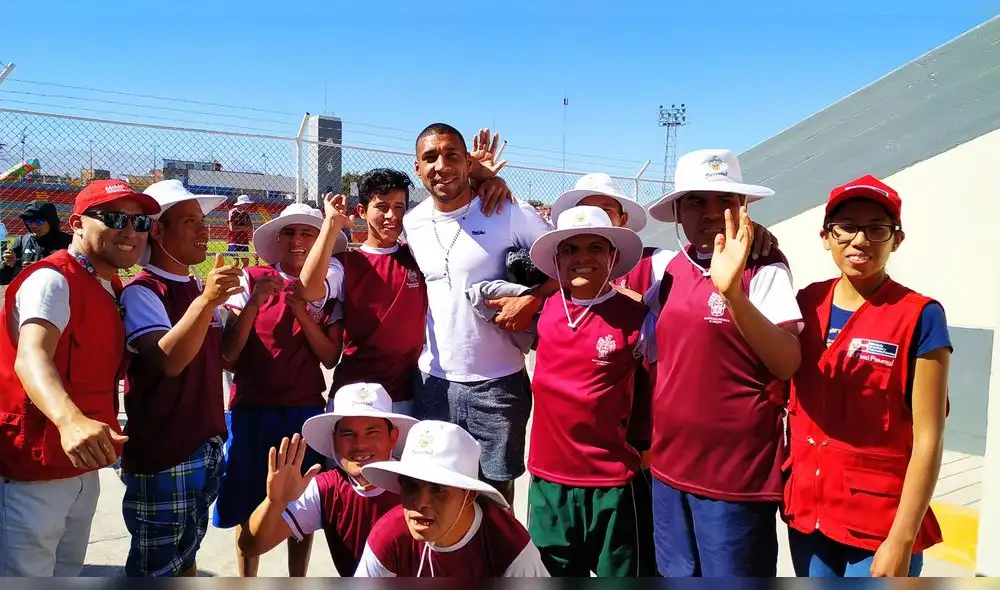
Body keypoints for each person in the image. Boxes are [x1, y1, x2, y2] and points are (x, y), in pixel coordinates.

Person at [644, 149, 803, 577]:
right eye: (697, 201)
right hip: (669, 470)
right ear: (678, 211)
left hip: (735, 480)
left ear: (743, 207)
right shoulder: (667, 270)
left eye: (725, 200)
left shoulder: (764, 268)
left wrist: (732, 293)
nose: (712, 212)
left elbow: (787, 361)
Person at [783, 175, 951, 578]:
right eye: (847, 227)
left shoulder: (921, 316)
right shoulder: (806, 302)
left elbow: (929, 437)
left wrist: (902, 539)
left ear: (897, 239)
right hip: (808, 516)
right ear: (826, 237)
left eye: (877, 229)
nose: (860, 240)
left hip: (879, 525)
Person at [0, 180, 159, 576]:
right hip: (34, 465)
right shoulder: (53, 280)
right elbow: (32, 354)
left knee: (66, 571)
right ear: (76, 224)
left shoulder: (108, 282)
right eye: (114, 218)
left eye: (140, 222)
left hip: (83, 462)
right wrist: (69, 420)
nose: (130, 231)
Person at [403, 125, 555, 505]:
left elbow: (561, 262)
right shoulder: (413, 222)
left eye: (452, 155)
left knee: (496, 493)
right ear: (417, 168)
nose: (442, 165)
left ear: (468, 162)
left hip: (498, 382)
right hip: (433, 380)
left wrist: (533, 299)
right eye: (430, 157)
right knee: (438, 489)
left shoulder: (507, 210)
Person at [214, 202, 348, 577]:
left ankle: (297, 578)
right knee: (245, 503)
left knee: (299, 506)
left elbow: (329, 357)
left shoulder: (331, 283)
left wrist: (302, 314)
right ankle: (246, 579)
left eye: (309, 232)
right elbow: (228, 356)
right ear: (276, 239)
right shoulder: (250, 279)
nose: (298, 240)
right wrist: (255, 303)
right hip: (251, 409)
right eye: (289, 232)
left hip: (303, 412)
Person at [118, 179, 243, 577]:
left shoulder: (193, 287)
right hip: (165, 451)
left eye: (203, 220)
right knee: (156, 566)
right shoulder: (143, 292)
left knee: (185, 556)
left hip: (202, 443)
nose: (204, 230)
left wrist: (252, 304)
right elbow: (168, 361)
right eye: (190, 221)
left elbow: (227, 356)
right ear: (158, 230)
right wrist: (207, 301)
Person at [525, 205, 658, 576]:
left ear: (613, 256)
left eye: (595, 247)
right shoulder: (543, 310)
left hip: (611, 483)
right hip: (548, 481)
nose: (582, 258)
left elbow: (664, 384)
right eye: (570, 249)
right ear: (556, 259)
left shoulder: (638, 318)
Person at [237, 383, 417, 576]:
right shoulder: (325, 488)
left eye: (372, 432)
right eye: (348, 434)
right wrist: (274, 502)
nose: (360, 444)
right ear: (334, 440)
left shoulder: (418, 485)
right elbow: (250, 547)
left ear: (393, 437)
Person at [299, 169, 426, 415]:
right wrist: (331, 224)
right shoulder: (345, 264)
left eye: (399, 207)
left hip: (406, 395)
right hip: (354, 395)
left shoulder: (417, 257)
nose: (392, 215)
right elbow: (308, 290)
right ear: (361, 211)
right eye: (382, 206)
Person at [357, 420, 550, 577]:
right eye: (411, 485)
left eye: (438, 489)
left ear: (469, 495)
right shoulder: (388, 535)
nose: (421, 502)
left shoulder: (510, 548)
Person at [0, 201, 73, 285]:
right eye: (29, 221)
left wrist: (42, 268)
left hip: (60, 294)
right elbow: (3, 280)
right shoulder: (21, 241)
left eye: (39, 222)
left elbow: (79, 275)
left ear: (51, 221)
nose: (33, 225)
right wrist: (7, 265)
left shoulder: (69, 242)